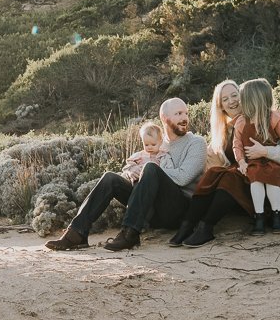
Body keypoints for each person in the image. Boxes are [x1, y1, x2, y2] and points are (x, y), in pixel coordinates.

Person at [45, 98, 206, 252]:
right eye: (178, 114)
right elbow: (138, 168)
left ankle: (130, 233)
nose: (184, 118)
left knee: (150, 168)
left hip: (177, 209)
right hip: (150, 208)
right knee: (110, 178)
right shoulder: (155, 142)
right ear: (164, 118)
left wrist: (146, 169)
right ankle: (76, 233)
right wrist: (129, 171)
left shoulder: (196, 142)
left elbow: (184, 177)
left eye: (186, 113)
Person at [168, 80, 280, 248]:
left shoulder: (266, 117)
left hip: (267, 185)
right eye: (225, 99)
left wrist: (265, 152)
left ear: (244, 96)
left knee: (229, 177)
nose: (231, 101)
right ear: (221, 106)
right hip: (241, 188)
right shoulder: (224, 133)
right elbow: (207, 167)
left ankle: (206, 228)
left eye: (235, 95)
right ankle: (187, 226)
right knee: (214, 174)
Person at [233, 78, 280, 235]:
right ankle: (259, 217)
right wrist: (241, 161)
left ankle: (277, 216)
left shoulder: (273, 118)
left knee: (272, 181)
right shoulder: (242, 122)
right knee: (255, 182)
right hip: (254, 163)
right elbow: (237, 145)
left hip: (272, 162)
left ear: (252, 100)